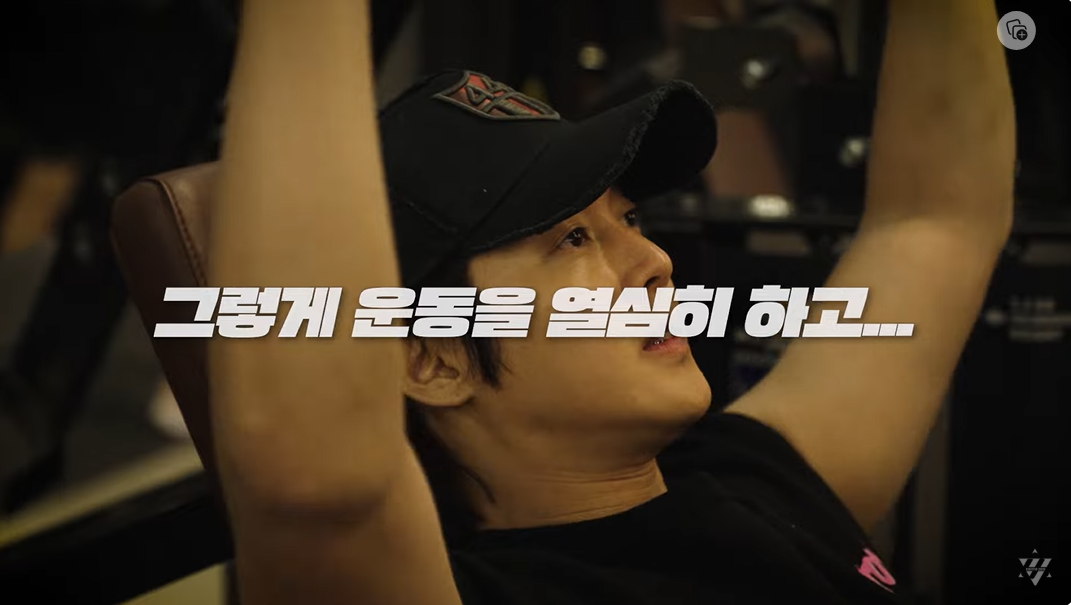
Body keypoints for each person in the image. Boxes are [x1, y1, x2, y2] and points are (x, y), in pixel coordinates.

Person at [207, 1, 1014, 603]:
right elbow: (312, 468)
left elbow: (934, 222)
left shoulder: (756, 476)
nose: (655, 261)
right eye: (571, 239)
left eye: (626, 219)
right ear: (431, 357)